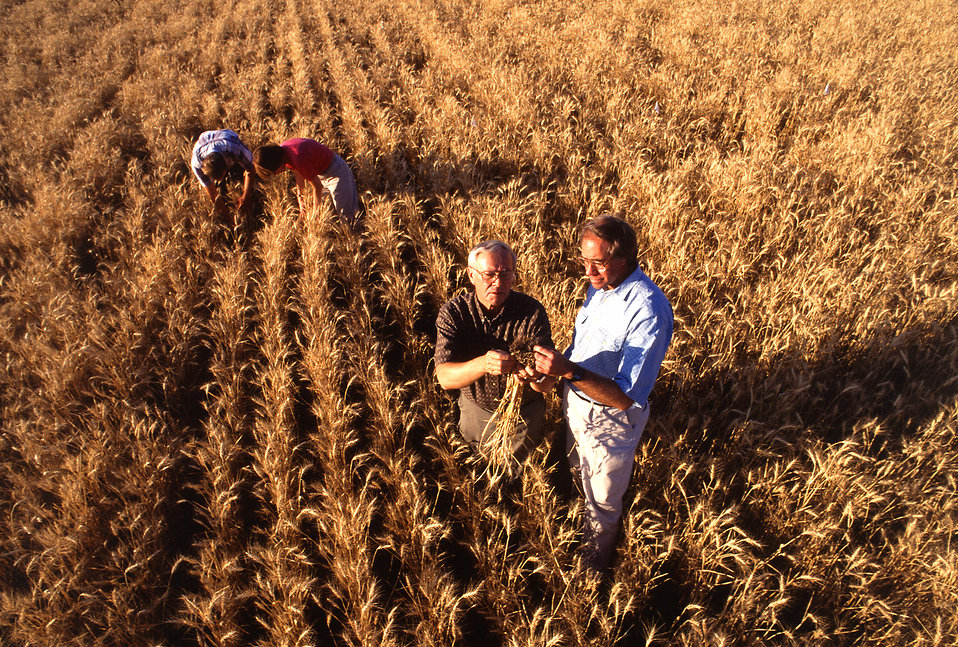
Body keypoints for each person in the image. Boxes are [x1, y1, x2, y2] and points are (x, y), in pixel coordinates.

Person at [533, 214, 673, 571]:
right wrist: (555, 368)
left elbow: (627, 396)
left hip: (610, 421)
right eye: (584, 260)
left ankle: (590, 578)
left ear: (626, 258)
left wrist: (567, 370)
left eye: (598, 263)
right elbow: (583, 345)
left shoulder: (648, 309)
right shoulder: (600, 287)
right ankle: (571, 545)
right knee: (577, 482)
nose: (589, 273)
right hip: (575, 405)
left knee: (602, 505)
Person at [435, 240, 557, 462]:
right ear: (471, 275)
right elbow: (444, 378)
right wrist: (483, 364)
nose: (498, 282)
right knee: (475, 470)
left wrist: (534, 378)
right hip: (476, 410)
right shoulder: (454, 313)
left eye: (506, 274)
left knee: (517, 476)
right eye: (489, 274)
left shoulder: (532, 312)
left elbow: (547, 384)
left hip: (523, 416)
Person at [252, 138, 360, 227]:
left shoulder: (298, 157)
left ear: (276, 162)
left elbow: (317, 187)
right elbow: (298, 174)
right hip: (321, 175)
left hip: (337, 172)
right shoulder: (283, 152)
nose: (275, 174)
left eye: (273, 171)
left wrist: (316, 212)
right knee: (329, 217)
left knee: (346, 217)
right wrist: (301, 202)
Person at [190, 129, 257, 216]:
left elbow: (251, 168)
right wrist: (228, 217)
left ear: (226, 167)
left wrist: (245, 197)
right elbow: (213, 194)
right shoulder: (197, 164)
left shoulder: (234, 148)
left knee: (244, 171)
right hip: (203, 141)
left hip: (225, 136)